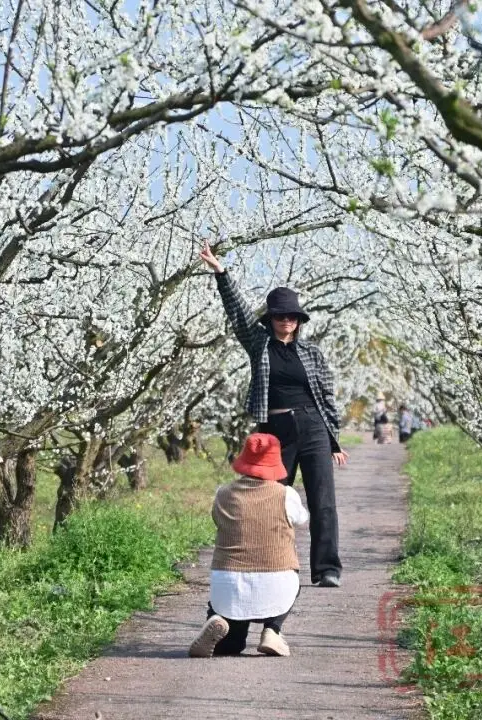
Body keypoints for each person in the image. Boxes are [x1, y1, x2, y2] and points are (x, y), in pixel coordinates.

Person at [200, 241, 347, 588]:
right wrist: (222, 274)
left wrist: (334, 439)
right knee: (269, 499)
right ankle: (269, 562)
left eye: (292, 316)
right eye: (280, 316)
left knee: (323, 500)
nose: (286, 321)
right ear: (270, 319)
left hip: (313, 426)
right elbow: (236, 312)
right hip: (276, 430)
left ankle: (327, 568)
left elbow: (326, 396)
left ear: (298, 320)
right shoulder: (259, 344)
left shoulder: (311, 352)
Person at [189, 433, 310, 658]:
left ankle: (218, 619)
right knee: (292, 578)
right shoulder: (286, 495)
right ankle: (272, 630)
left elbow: (218, 519)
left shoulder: (223, 494)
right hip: (276, 583)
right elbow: (302, 519)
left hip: (229, 587)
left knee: (232, 647)